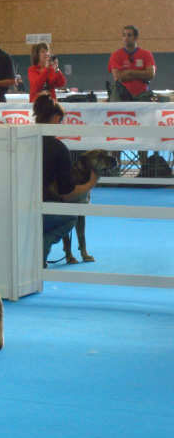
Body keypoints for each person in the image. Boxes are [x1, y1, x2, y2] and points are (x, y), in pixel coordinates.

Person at [35, 94, 98, 266]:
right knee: (72, 216)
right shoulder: (59, 149)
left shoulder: (24, 140)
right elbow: (66, 194)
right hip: (43, 210)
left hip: (19, 209)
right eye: (60, 121)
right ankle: (43, 245)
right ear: (56, 118)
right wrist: (91, 183)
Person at [108, 25, 155, 101]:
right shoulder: (116, 55)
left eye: (129, 35)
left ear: (136, 38)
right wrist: (141, 74)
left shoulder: (146, 54)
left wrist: (130, 72)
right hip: (121, 95)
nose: (126, 38)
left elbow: (150, 74)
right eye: (124, 35)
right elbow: (118, 77)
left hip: (142, 95)